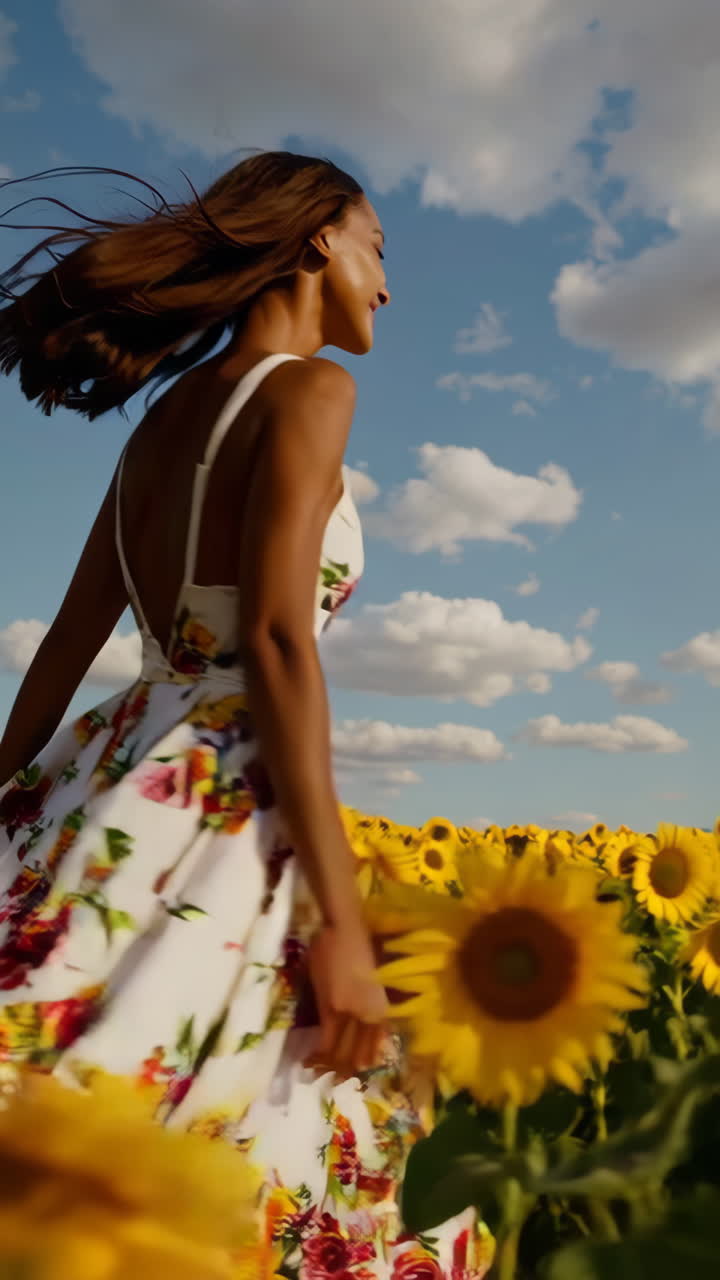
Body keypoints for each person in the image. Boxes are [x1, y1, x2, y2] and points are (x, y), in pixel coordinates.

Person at [0, 152, 483, 1276]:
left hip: (110, 775)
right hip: (223, 800)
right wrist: (344, 928)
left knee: (102, 1092)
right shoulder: (312, 390)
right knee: (249, 1125)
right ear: (318, 238)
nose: (387, 284)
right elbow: (273, 640)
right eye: (378, 248)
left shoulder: (157, 428)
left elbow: (66, 652)